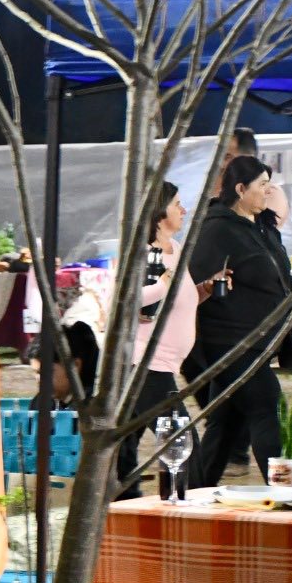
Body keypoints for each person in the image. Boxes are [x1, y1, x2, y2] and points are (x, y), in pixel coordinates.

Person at [187, 156, 292, 487]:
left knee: (225, 424)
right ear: (240, 189)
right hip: (229, 344)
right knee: (268, 407)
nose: (268, 192)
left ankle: (193, 493)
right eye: (262, 185)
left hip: (257, 343)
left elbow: (285, 281)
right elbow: (189, 287)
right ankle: (287, 490)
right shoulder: (216, 231)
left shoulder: (262, 229)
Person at [115, 182, 225, 498]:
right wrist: (162, 286)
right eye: (177, 204)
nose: (184, 210)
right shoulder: (140, 254)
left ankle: (120, 506)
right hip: (145, 363)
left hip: (162, 363)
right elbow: (123, 301)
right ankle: (195, 505)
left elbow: (177, 301)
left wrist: (204, 289)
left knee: (122, 448)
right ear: (159, 210)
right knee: (182, 441)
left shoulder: (174, 249)